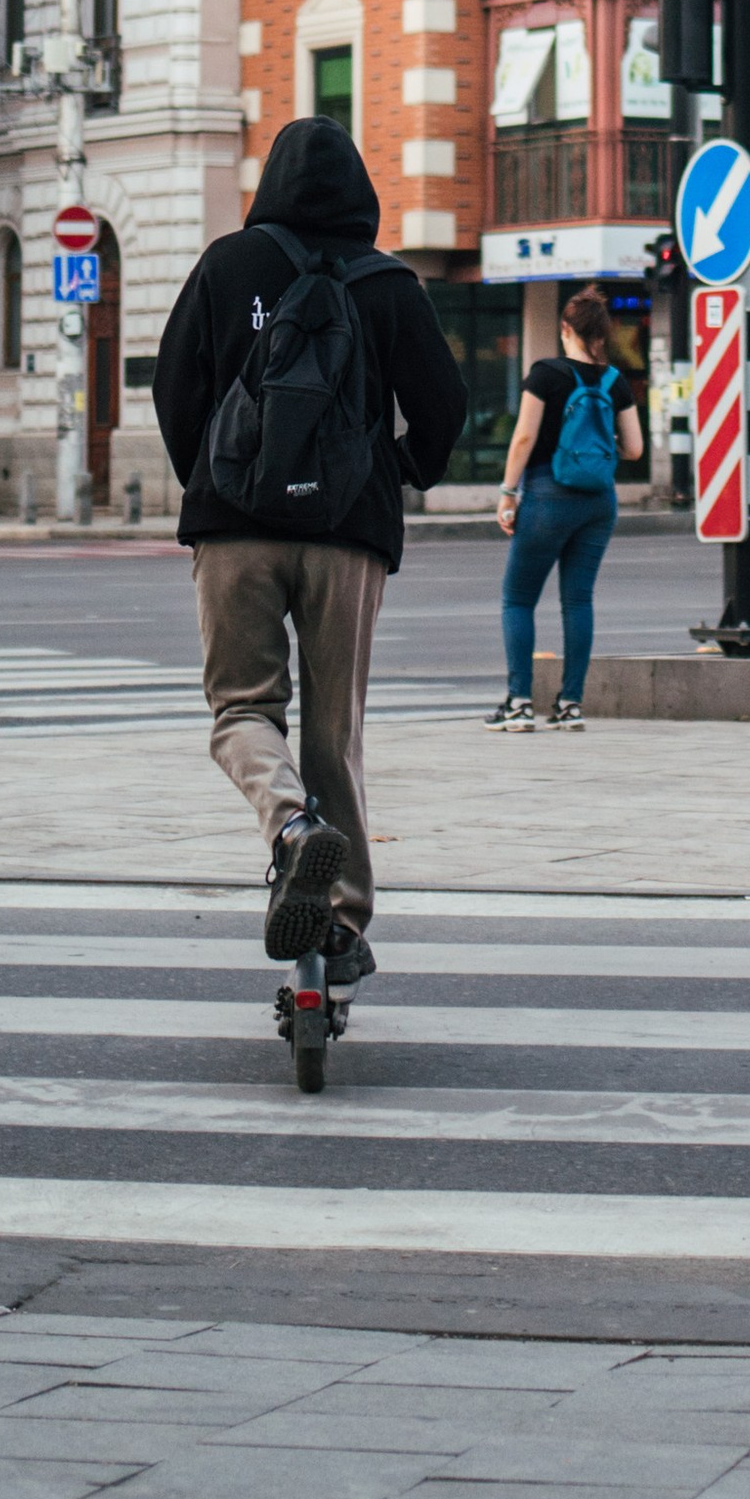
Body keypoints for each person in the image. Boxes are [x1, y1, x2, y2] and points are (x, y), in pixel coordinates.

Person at [153, 117, 466, 987]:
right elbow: (444, 403)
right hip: (347, 534)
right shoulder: (391, 283)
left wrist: (211, 483)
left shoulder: (227, 264)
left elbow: (172, 384)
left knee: (242, 710)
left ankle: (291, 829)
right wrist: (399, 471)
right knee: (337, 733)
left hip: (234, 528)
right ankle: (342, 921)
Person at [488, 286, 646, 729]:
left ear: (565, 329)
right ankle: (570, 704)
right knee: (578, 600)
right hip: (599, 502)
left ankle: (519, 704)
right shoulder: (615, 381)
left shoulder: (545, 374)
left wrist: (507, 492)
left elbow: (523, 437)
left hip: (547, 494)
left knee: (517, 599)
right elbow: (634, 449)